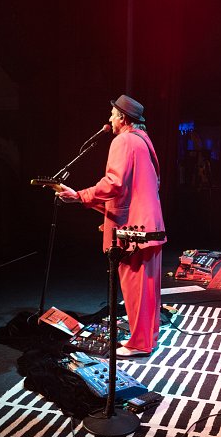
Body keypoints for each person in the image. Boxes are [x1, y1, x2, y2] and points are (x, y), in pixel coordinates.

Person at [55, 95, 167, 358]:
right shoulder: (144, 141)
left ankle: (139, 344)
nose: (110, 119)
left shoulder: (123, 140)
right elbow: (140, 187)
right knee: (148, 288)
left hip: (134, 230)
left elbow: (114, 184)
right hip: (151, 224)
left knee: (135, 288)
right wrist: (106, 214)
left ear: (123, 118)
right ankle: (147, 338)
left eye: (113, 115)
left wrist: (79, 195)